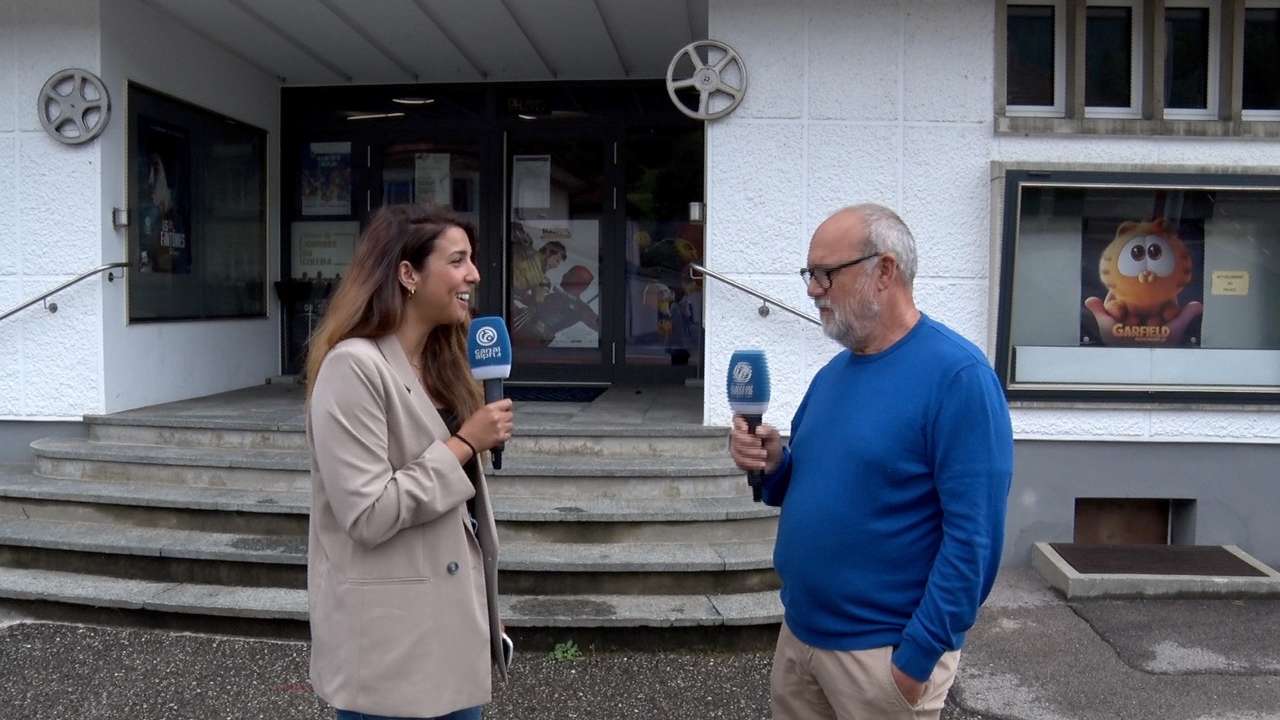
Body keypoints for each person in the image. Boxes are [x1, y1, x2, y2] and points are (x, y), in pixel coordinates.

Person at [729, 204, 1013, 720]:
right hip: (800, 638)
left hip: (881, 657)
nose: (813, 290)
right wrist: (773, 464)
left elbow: (975, 541)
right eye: (809, 274)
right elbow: (812, 483)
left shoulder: (958, 377)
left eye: (825, 274)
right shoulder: (833, 375)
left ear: (884, 271)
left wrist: (915, 662)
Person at [304, 205, 514, 720]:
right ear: (408, 274)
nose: (474, 274)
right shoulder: (352, 367)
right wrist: (465, 443)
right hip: (389, 650)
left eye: (472, 260)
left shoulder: (442, 365)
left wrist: (479, 604)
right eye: (458, 260)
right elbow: (368, 514)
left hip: (452, 636)